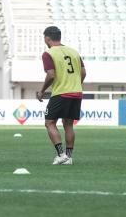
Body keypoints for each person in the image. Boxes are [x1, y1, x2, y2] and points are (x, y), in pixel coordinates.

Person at [36, 26, 86, 165]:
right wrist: (76, 84)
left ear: (47, 38)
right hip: (76, 92)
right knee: (68, 124)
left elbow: (51, 75)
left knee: (49, 123)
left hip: (61, 93)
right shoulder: (74, 52)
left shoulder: (49, 53)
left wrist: (42, 91)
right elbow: (83, 72)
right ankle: (68, 158)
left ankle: (61, 154)